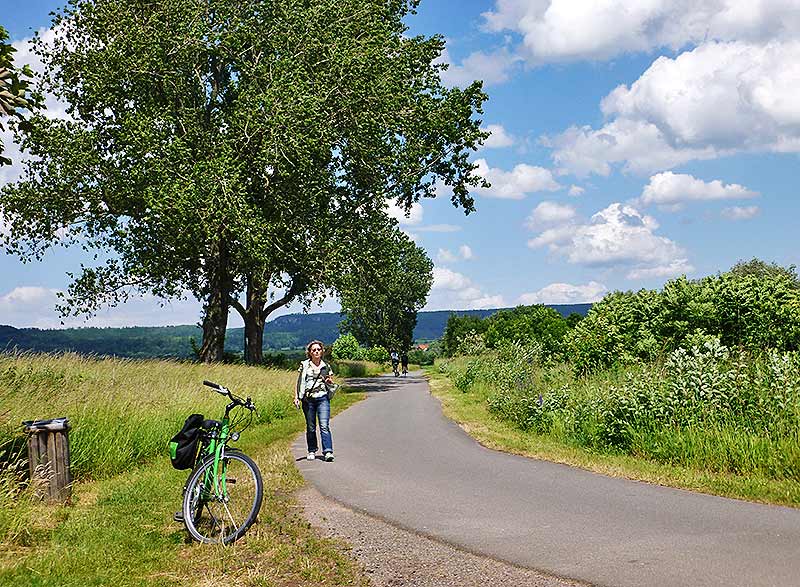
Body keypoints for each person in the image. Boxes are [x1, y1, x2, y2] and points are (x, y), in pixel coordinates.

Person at [294, 340, 335, 462]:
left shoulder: (326, 366)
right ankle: (312, 450)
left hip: (322, 398)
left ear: (322, 351)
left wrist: (329, 382)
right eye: (314, 350)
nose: (316, 352)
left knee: (324, 425)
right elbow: (299, 382)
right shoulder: (305, 365)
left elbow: (330, 380)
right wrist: (296, 397)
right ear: (310, 353)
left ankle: (328, 451)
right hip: (308, 399)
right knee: (311, 427)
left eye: (318, 349)